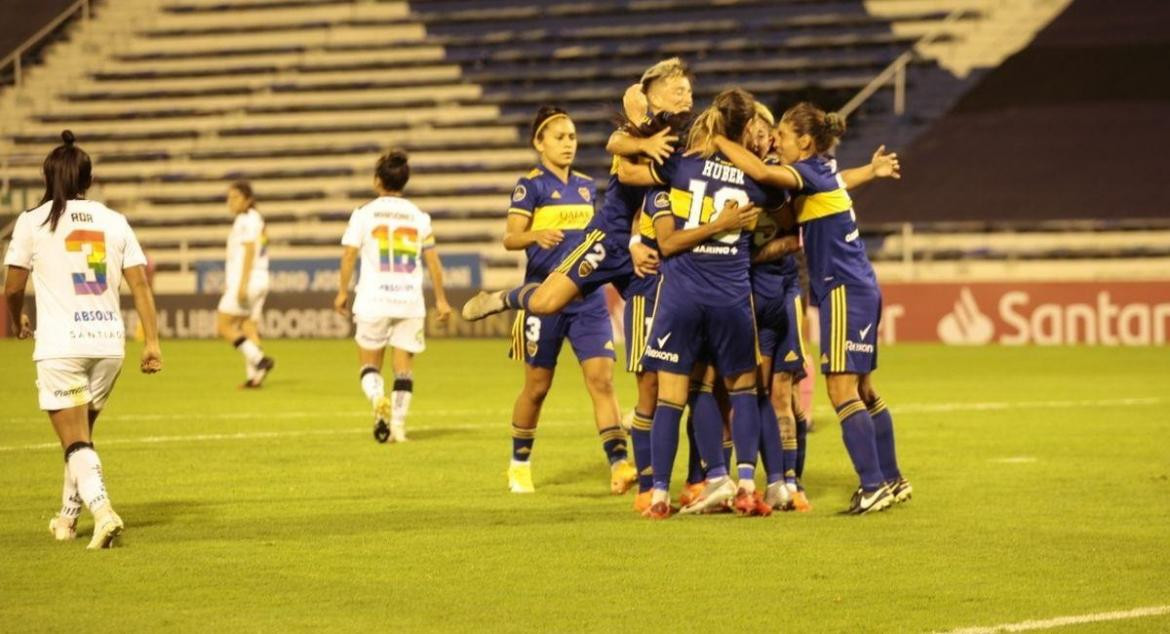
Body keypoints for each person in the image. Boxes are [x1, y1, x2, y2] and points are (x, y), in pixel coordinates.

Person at [711, 102, 912, 515]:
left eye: (782, 135)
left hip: (842, 289)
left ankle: (872, 485)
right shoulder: (822, 170)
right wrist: (871, 172)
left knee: (840, 390)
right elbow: (841, 180)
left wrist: (717, 139)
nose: (776, 141)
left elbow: (765, 173)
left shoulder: (804, 172)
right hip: (862, 285)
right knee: (865, 389)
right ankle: (891, 479)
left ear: (803, 141)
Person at [615, 88, 788, 518]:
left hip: (681, 296)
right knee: (744, 391)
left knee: (672, 398)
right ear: (747, 128)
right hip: (731, 295)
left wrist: (640, 129)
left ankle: (658, 495)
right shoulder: (754, 177)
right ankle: (747, 485)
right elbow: (780, 197)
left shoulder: (680, 165)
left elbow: (629, 173)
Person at [3, 130, 163, 549]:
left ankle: (103, 511)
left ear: (47, 176)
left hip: (63, 345)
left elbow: (12, 286)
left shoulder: (32, 222)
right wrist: (152, 342)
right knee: (81, 438)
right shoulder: (114, 220)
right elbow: (141, 286)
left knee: (74, 440)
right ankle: (67, 518)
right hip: (108, 343)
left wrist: (16, 314)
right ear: (87, 179)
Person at [500, 106, 636, 495]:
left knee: (602, 381)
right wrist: (535, 237)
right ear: (539, 143)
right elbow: (510, 238)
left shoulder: (585, 185)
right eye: (559, 137)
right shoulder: (531, 186)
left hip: (588, 297)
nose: (568, 144)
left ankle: (619, 464)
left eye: (572, 137)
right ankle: (519, 464)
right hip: (543, 296)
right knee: (537, 387)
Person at [334, 149, 452, 444]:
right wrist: (441, 300)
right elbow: (434, 263)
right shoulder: (419, 216)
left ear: (377, 181)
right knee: (404, 367)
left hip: (373, 298)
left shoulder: (363, 214)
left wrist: (341, 292)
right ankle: (398, 427)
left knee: (370, 364)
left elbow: (349, 255)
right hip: (409, 300)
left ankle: (377, 399)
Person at [215, 180, 274, 388]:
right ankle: (254, 377)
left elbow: (249, 250)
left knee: (223, 325)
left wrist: (242, 284)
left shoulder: (245, 219)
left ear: (248, 199)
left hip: (249, 280)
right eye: (229, 197)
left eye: (235, 197)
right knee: (248, 326)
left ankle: (259, 360)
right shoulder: (257, 219)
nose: (230, 202)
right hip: (260, 279)